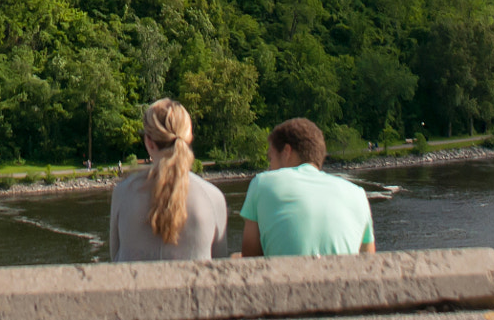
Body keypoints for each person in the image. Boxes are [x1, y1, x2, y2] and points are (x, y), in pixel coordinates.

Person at [108, 98, 229, 261]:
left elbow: (115, 257)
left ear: (149, 143)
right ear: (189, 138)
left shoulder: (123, 193)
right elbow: (221, 265)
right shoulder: (213, 197)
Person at [238, 118, 374, 257]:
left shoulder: (262, 183)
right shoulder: (358, 194)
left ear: (286, 151)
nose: (269, 167)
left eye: (270, 158)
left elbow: (251, 258)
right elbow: (369, 261)